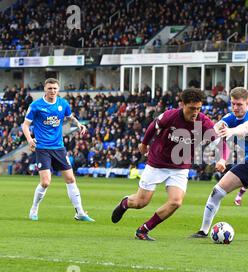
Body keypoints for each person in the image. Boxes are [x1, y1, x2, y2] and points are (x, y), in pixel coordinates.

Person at [111, 88, 228, 241]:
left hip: (180, 167)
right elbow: (153, 126)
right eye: (192, 108)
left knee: (176, 202)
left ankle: (143, 230)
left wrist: (222, 159)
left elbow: (222, 144)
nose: (195, 112)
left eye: (198, 109)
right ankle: (125, 203)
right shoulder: (170, 116)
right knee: (141, 202)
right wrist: (144, 143)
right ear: (182, 105)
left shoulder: (204, 122)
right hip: (157, 163)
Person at [191, 87, 248, 238]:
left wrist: (230, 131)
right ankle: (203, 231)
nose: (235, 107)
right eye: (233, 104)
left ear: (247, 102)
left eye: (239, 104)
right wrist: (221, 158)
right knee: (216, 191)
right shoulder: (229, 118)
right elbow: (217, 132)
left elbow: (245, 128)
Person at [21, 78, 95, 222]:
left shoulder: (63, 104)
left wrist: (78, 124)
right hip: (42, 148)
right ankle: (34, 209)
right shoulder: (36, 105)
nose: (52, 91)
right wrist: (30, 139)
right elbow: (25, 125)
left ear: (58, 89)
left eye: (55, 88)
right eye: (50, 88)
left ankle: (80, 212)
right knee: (45, 182)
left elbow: (69, 117)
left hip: (59, 148)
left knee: (70, 178)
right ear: (45, 89)